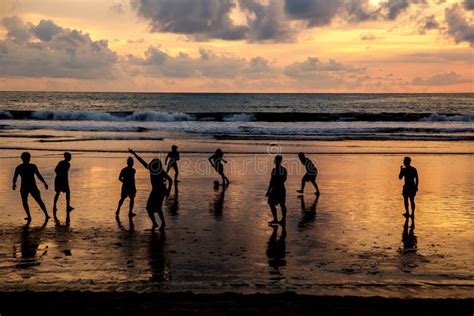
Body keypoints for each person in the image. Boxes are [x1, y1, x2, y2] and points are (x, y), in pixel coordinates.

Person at [129, 148, 172, 231]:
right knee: (152, 208)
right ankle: (157, 223)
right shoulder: (154, 170)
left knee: (154, 208)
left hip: (159, 191)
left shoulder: (159, 171)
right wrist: (134, 154)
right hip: (157, 191)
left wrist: (168, 191)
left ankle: (160, 223)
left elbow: (170, 180)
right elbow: (142, 162)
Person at [12, 152, 50, 222]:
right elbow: (38, 175)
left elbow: (15, 177)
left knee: (26, 201)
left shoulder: (19, 167)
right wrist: (44, 183)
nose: (28, 159)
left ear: (22, 158)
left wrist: (14, 184)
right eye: (27, 158)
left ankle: (31, 216)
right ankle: (46, 215)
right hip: (31, 186)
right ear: (29, 158)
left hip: (26, 187)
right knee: (38, 201)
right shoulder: (32, 166)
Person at [266, 155, 287, 226]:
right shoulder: (282, 170)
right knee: (278, 204)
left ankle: (280, 219)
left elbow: (272, 181)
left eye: (276, 160)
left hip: (277, 188)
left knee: (277, 204)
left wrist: (269, 190)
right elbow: (283, 179)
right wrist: (269, 190)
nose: (276, 161)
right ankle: (280, 219)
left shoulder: (276, 170)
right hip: (280, 188)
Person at [53, 152, 74, 220]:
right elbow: (56, 170)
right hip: (60, 179)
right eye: (70, 157)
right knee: (59, 193)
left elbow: (58, 171)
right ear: (66, 157)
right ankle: (55, 206)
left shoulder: (67, 164)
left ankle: (66, 206)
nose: (70, 158)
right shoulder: (63, 163)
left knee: (65, 192)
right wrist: (60, 175)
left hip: (63, 179)